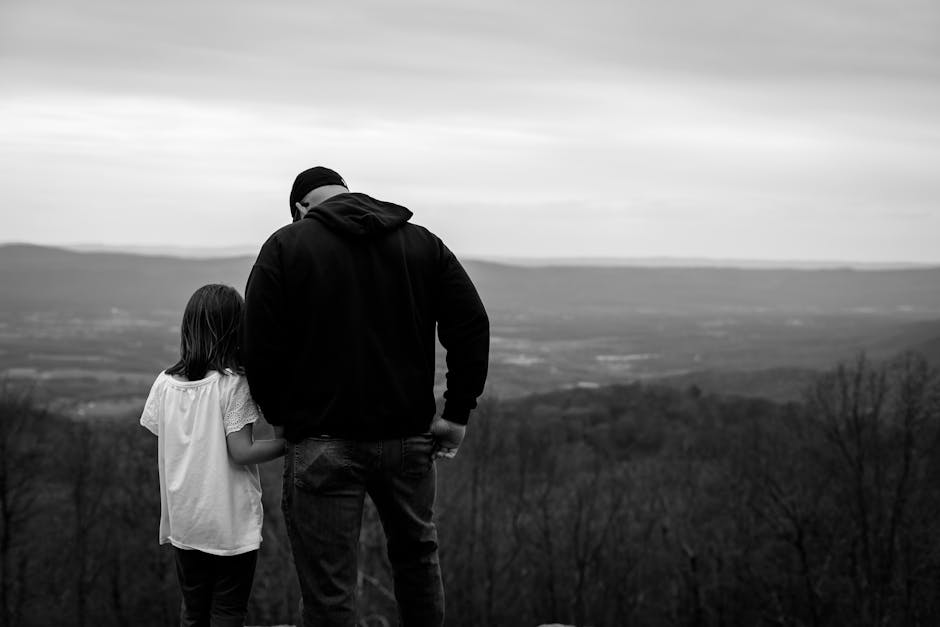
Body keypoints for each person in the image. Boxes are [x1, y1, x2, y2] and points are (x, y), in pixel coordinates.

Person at [242, 166, 490, 626]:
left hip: (320, 441)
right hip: (408, 437)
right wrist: (456, 413)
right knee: (417, 558)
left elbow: (259, 344)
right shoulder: (421, 243)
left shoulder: (285, 246)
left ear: (301, 208)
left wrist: (280, 417)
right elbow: (470, 323)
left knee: (329, 584)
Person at [140, 283, 287, 627]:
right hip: (227, 523)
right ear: (236, 330)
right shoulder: (233, 384)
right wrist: (289, 445)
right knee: (227, 609)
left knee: (193, 609)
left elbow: (166, 436)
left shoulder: (164, 383)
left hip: (185, 521)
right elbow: (242, 451)